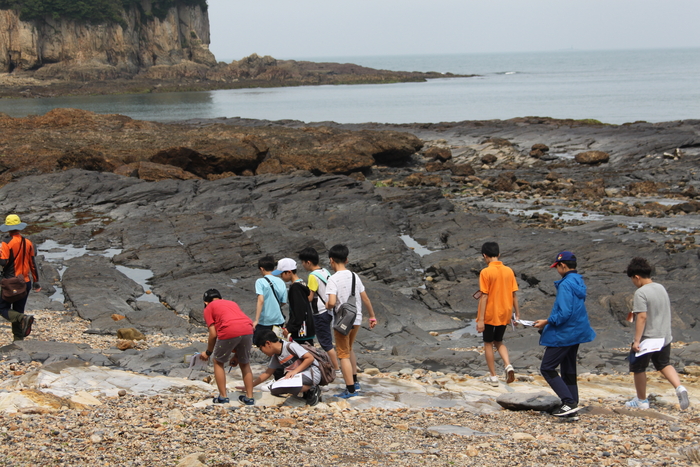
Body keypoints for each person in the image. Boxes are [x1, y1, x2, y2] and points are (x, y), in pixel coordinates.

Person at [534, 251, 596, 420]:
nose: (556, 270)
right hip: (577, 332)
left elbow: (564, 313)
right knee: (568, 369)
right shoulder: (578, 281)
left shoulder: (565, 284)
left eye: (557, 267)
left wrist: (546, 322)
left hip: (565, 333)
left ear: (562, 265)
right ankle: (572, 409)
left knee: (547, 367)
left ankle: (568, 401)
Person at [624, 257, 689, 410]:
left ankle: (641, 400)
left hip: (649, 338)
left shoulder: (641, 293)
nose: (633, 282)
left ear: (637, 277)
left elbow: (642, 317)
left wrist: (637, 341)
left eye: (632, 279)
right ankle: (680, 387)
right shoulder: (660, 287)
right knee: (664, 364)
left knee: (638, 367)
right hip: (665, 336)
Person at [325, 244, 377, 399]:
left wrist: (326, 305)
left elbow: (332, 302)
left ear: (331, 260)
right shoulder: (355, 276)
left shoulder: (333, 279)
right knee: (349, 349)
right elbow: (365, 298)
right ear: (347, 260)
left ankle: (350, 390)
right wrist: (372, 316)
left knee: (343, 355)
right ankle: (355, 382)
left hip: (342, 321)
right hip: (356, 318)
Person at [198, 289, 255, 405]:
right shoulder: (232, 303)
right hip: (248, 328)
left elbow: (213, 334)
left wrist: (208, 352)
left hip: (229, 329)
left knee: (218, 362)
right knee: (245, 363)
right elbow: (239, 324)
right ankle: (249, 397)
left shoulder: (209, 307)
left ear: (205, 302)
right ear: (220, 298)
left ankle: (223, 397)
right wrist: (236, 356)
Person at [476, 242, 519, 387]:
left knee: (488, 343)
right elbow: (514, 295)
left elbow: (484, 296)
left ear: (484, 256)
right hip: (505, 312)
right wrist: (517, 314)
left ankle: (493, 377)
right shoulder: (509, 271)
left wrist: (480, 319)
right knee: (499, 340)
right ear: (499, 254)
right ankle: (508, 365)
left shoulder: (485, 272)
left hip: (490, 312)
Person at [242, 330, 322, 406]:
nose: (262, 351)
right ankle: (307, 391)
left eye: (261, 348)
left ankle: (312, 388)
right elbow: (267, 373)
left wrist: (294, 371)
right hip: (299, 376)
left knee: (286, 385)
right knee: (274, 389)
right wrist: (250, 386)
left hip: (312, 373)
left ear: (268, 343)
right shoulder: (276, 356)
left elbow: (310, 358)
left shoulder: (290, 346)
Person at [0, 214, 41, 341]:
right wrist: (36, 282)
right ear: (19, 227)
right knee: (18, 309)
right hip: (26, 282)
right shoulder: (28, 242)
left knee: (2, 308)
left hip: (11, 282)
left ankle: (21, 319)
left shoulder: (6, 243)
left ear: (7, 228)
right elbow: (32, 264)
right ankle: (18, 339)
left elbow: (3, 262)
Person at [299, 247, 340, 371]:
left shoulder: (312, 276)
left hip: (320, 312)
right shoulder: (325, 271)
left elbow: (310, 297)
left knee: (326, 343)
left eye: (303, 262)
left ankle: (336, 368)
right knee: (327, 340)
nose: (302, 265)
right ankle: (336, 366)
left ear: (308, 262)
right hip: (328, 311)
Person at [272, 257, 316, 345]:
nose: (281, 276)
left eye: (282, 274)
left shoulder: (295, 288)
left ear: (289, 272)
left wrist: (290, 328)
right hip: (307, 327)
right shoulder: (302, 284)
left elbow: (299, 311)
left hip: (301, 331)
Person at [253, 255, 287, 341]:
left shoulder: (260, 281)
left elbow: (260, 300)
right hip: (278, 320)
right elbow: (283, 302)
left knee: (260, 344)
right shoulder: (281, 281)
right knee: (277, 343)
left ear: (261, 268)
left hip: (265, 320)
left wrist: (256, 320)